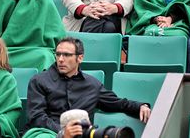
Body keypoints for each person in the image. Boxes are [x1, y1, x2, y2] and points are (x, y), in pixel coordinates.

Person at [22, 37, 151, 138]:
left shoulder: (92, 85)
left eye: (67, 55)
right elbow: (37, 117)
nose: (61, 59)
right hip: (46, 133)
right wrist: (63, 132)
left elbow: (118, 103)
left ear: (80, 58)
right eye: (58, 54)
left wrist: (140, 106)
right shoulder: (39, 80)